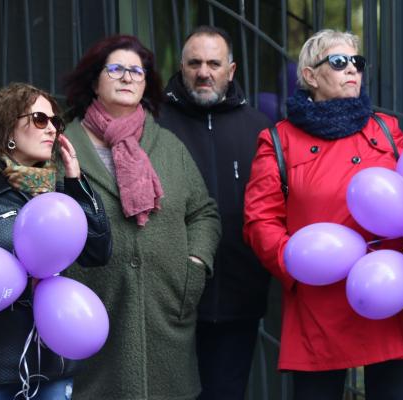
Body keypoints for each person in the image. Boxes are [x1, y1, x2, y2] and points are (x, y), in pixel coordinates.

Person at [243, 29, 403, 400]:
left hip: (384, 293)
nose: (352, 69)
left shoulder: (386, 130)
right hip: (317, 301)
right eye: (339, 62)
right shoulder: (279, 139)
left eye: (357, 62)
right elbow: (260, 220)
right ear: (310, 76)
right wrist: (297, 265)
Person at [62, 35, 221, 400]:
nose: (127, 77)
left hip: (165, 312)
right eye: (115, 69)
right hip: (93, 309)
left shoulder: (167, 145)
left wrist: (194, 266)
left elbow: (203, 213)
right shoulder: (65, 145)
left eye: (137, 71)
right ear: (94, 80)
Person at [156, 25, 272, 400]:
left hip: (239, 300)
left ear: (231, 70)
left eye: (213, 63)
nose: (203, 71)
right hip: (167, 301)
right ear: (181, 66)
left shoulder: (260, 129)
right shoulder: (152, 124)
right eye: (194, 63)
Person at [0, 82, 112, 399]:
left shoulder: (60, 191)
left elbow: (98, 252)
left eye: (55, 121)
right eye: (40, 119)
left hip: (53, 362)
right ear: (8, 127)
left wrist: (77, 183)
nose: (51, 128)